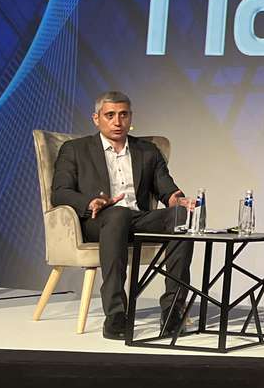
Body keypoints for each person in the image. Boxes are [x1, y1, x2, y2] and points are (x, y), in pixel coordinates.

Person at [49, 91, 194, 340]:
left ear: (130, 117)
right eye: (110, 115)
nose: (117, 122)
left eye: (123, 115)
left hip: (138, 219)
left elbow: (167, 189)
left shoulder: (147, 151)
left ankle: (173, 310)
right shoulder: (75, 149)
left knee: (181, 217)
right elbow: (60, 192)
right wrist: (90, 202)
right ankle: (116, 314)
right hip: (99, 220)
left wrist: (178, 200)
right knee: (117, 215)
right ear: (96, 118)